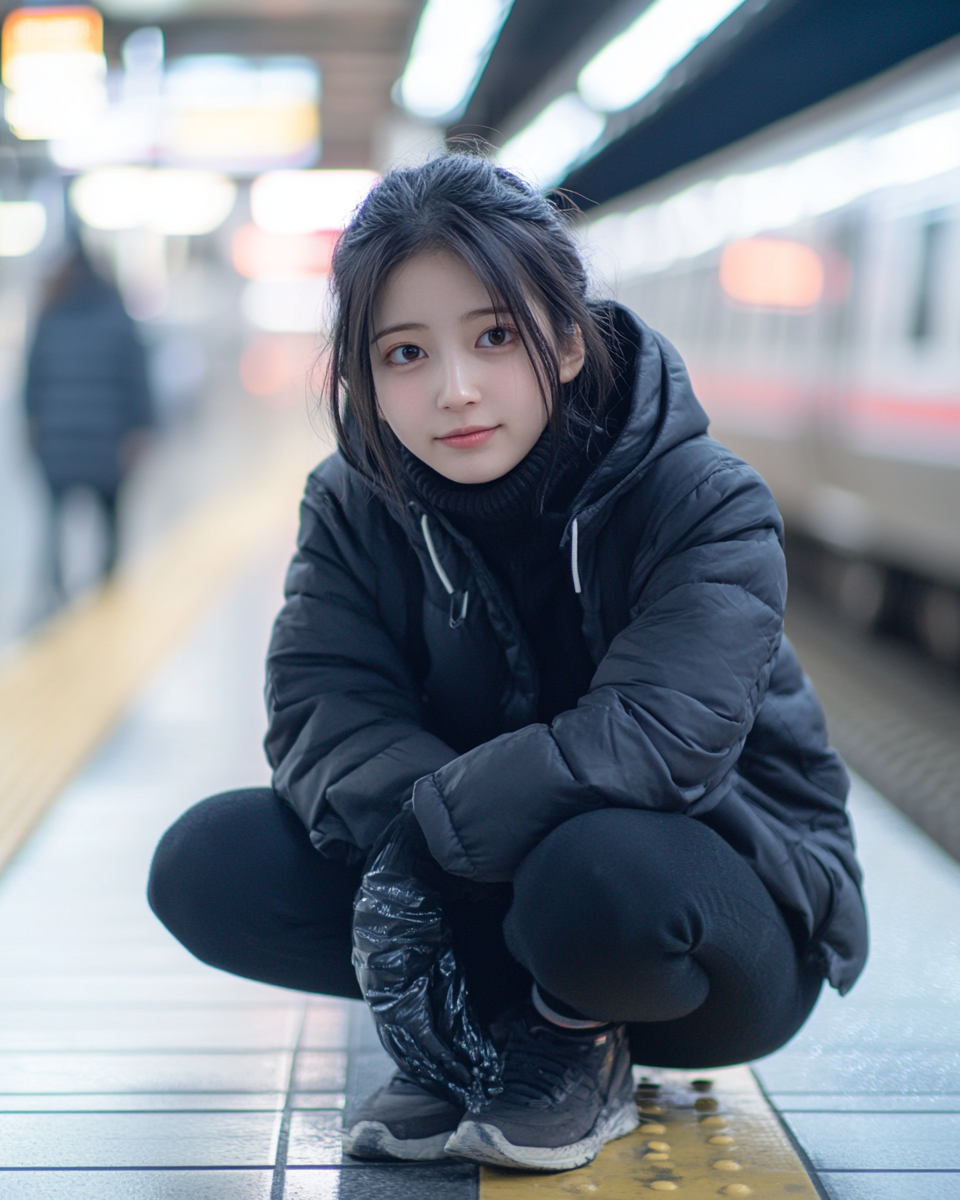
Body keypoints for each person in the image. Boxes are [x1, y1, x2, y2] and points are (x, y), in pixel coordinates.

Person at [147, 153, 867, 1173]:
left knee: (593, 874)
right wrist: (434, 861)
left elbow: (663, 742)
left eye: (494, 336)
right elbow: (320, 711)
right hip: (486, 906)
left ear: (566, 338)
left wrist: (436, 835)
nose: (454, 390)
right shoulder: (352, 507)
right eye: (404, 354)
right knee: (208, 864)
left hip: (693, 929)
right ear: (362, 378)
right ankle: (479, 1034)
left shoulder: (704, 500)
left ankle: (576, 1042)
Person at [25, 244, 153, 597]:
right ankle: (109, 586)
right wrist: (142, 427)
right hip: (108, 443)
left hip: (57, 443)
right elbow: (137, 377)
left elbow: (31, 378)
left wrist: (32, 425)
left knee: (54, 522)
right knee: (110, 520)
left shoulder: (49, 312)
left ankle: (54, 589)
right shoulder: (117, 313)